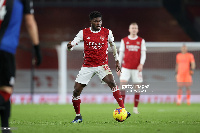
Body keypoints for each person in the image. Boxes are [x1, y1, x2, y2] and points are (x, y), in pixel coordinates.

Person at [67, 11, 131, 123]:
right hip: (87, 66)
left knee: (112, 82)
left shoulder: (107, 32)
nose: (98, 23)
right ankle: (78, 116)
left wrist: (117, 60)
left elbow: (113, 45)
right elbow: (73, 44)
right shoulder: (84, 33)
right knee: (76, 91)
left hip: (102, 65)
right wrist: (69, 46)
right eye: (96, 21)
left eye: (100, 21)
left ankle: (124, 109)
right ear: (91, 21)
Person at [0, 0, 41, 132]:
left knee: (4, 88)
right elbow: (29, 22)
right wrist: (36, 47)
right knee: (5, 90)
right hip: (5, 48)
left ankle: (5, 128)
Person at [117, 22, 146, 114]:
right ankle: (122, 108)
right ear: (129, 30)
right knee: (122, 86)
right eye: (132, 28)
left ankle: (135, 108)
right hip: (125, 68)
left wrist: (141, 64)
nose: (134, 29)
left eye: (135, 28)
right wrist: (118, 66)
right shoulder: (124, 40)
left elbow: (143, 54)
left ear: (137, 30)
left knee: (137, 88)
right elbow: (121, 54)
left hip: (136, 69)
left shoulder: (141, 41)